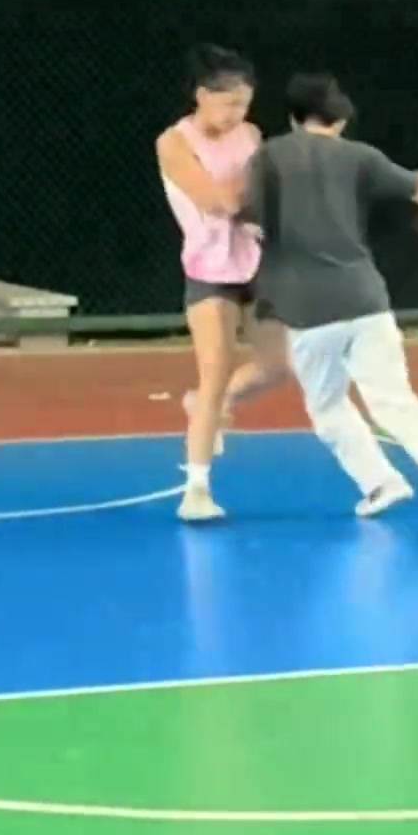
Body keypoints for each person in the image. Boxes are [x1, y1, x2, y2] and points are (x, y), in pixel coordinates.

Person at [243, 71, 418, 539]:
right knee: (395, 402)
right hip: (366, 299)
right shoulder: (360, 156)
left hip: (307, 309)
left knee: (328, 407)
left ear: (292, 117)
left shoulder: (267, 157)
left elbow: (249, 218)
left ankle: (381, 482)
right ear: (341, 119)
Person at [156, 44, 288, 521]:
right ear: (202, 95)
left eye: (245, 104)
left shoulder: (249, 134)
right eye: (229, 103)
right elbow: (218, 202)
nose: (238, 114)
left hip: (257, 262)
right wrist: (256, 180)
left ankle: (212, 403)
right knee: (214, 372)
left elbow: (265, 195)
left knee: (279, 365)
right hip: (209, 269)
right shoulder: (174, 143)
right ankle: (196, 491)